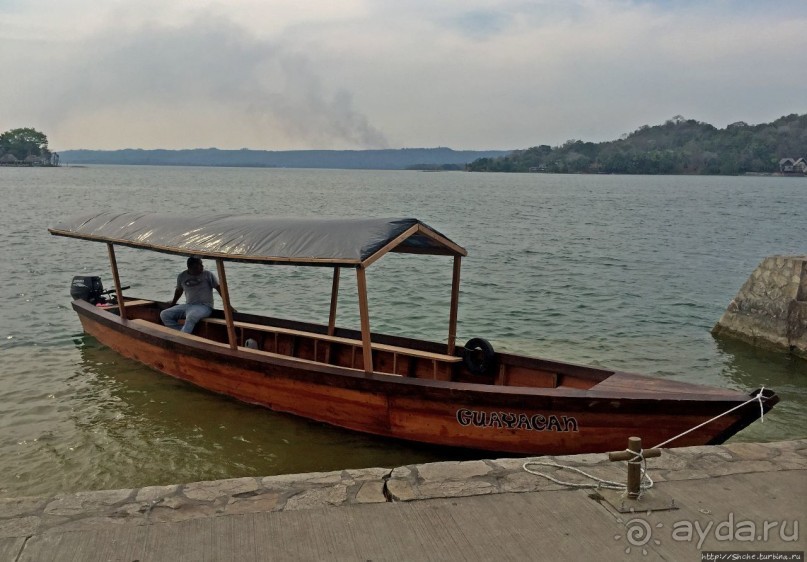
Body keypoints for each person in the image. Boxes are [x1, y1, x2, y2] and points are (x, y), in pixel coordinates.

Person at [160, 257, 223, 334]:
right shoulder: (182, 276)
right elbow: (179, 290)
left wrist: (228, 305)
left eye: (201, 264)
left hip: (204, 306)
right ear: (190, 267)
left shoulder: (208, 275)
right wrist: (173, 303)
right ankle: (182, 333)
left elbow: (219, 288)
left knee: (191, 316)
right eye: (199, 265)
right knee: (164, 314)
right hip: (188, 305)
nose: (202, 266)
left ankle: (182, 337)